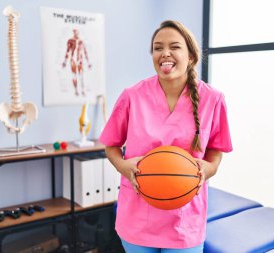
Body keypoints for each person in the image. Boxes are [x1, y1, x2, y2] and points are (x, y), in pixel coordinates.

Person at [99, 20, 232, 252]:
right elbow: (110, 145)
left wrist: (207, 169)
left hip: (185, 220)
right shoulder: (132, 96)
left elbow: (216, 151)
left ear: (191, 56)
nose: (165, 53)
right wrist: (122, 166)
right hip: (138, 218)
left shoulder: (213, 99)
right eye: (158, 47)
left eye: (175, 46)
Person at [62, 29, 92, 96]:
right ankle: (76, 90)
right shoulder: (70, 41)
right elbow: (67, 51)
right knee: (74, 76)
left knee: (81, 76)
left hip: (80, 60)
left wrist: (88, 62)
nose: (76, 33)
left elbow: (85, 52)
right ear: (73, 32)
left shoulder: (81, 41)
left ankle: (82, 90)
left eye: (77, 32)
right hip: (73, 60)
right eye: (75, 32)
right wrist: (65, 62)